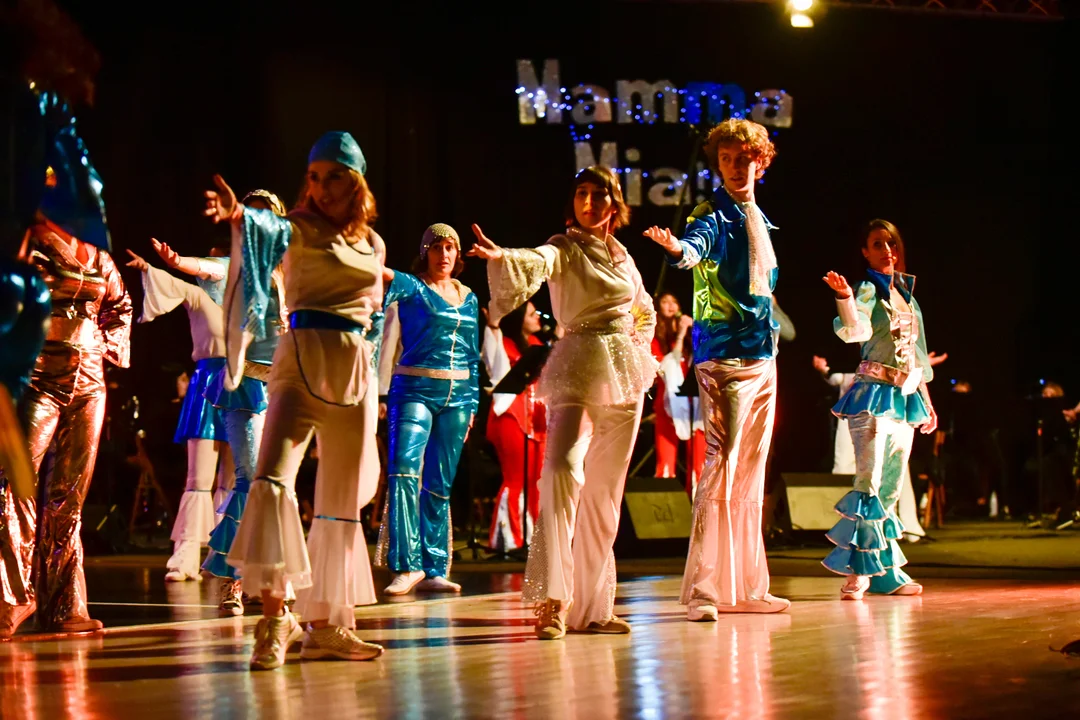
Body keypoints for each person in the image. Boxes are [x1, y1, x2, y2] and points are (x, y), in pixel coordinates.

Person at [203, 131, 384, 669]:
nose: (322, 187)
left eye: (334, 177)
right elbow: (266, 228)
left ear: (356, 182)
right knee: (270, 481)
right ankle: (273, 617)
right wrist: (239, 216)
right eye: (314, 177)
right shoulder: (298, 227)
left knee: (340, 503)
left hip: (353, 371)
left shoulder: (373, 244)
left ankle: (327, 624)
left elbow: (373, 306)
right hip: (301, 362)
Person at [469, 165, 657, 640]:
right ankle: (553, 599)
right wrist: (503, 257)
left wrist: (638, 340)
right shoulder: (565, 247)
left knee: (605, 492)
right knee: (558, 473)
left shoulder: (624, 257)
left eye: (598, 194)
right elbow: (538, 259)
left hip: (624, 372)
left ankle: (594, 606)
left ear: (614, 203)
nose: (588, 202)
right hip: (578, 364)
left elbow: (645, 308)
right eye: (581, 193)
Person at [644, 118, 790, 620]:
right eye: (726, 159)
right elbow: (695, 248)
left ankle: (748, 586)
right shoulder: (710, 213)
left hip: (763, 354)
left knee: (751, 469)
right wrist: (677, 250)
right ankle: (705, 589)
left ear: (760, 162)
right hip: (724, 354)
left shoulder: (759, 217)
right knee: (721, 462)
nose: (734, 167)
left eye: (743, 159)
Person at [0, 218, 131, 637]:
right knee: (14, 482)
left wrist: (102, 347)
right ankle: (11, 599)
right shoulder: (26, 241)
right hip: (38, 375)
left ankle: (64, 605)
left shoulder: (97, 251)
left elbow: (121, 305)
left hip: (89, 381)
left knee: (70, 494)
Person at [821, 219, 937, 600]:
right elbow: (856, 331)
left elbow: (917, 355)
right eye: (877, 244)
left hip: (904, 398)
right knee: (868, 481)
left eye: (891, 244)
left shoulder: (908, 296)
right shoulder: (867, 289)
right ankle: (859, 571)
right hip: (872, 395)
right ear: (865, 252)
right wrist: (844, 298)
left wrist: (927, 402)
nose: (887, 251)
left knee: (891, 486)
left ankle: (885, 571)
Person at [374, 224, 480, 595]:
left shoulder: (468, 298)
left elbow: (472, 355)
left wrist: (473, 403)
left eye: (450, 248)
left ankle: (435, 567)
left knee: (439, 483)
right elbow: (380, 273)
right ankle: (407, 565)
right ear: (425, 252)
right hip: (413, 389)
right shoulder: (411, 287)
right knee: (404, 471)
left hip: (458, 398)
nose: (444, 254)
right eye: (437, 248)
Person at [199, 189, 289, 615]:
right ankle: (230, 577)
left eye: (266, 215)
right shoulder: (235, 265)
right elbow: (203, 267)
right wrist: (176, 262)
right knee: (250, 479)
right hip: (246, 384)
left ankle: (264, 580)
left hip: (285, 389)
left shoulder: (292, 268)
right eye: (251, 214)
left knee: (274, 485)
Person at [126, 238, 232, 582]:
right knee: (199, 478)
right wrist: (148, 268)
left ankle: (225, 554)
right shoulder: (200, 297)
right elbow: (174, 283)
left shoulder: (248, 309)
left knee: (233, 480)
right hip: (207, 386)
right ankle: (186, 554)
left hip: (241, 386)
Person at [482, 300, 547, 551]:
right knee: (516, 478)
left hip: (536, 419)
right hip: (511, 417)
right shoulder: (505, 344)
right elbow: (495, 368)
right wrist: (493, 327)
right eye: (532, 314)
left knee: (536, 481)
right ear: (519, 319)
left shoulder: (538, 346)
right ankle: (509, 539)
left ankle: (533, 538)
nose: (537, 317)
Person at [652, 293, 705, 494]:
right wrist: (681, 335)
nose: (671, 306)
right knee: (665, 462)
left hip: (695, 406)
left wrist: (695, 331)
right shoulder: (656, 336)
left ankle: (697, 504)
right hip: (667, 406)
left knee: (699, 463)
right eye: (665, 302)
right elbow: (663, 366)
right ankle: (665, 506)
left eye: (674, 301)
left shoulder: (690, 333)